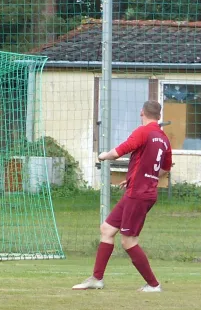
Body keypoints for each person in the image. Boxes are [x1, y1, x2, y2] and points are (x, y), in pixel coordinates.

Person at [72, 100, 172, 292]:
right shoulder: (164, 138)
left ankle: (153, 284)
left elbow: (120, 151)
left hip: (139, 194)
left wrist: (103, 156)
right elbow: (164, 169)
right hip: (139, 191)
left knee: (128, 241)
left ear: (141, 112)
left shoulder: (142, 132)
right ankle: (96, 279)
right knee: (107, 229)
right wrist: (139, 178)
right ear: (159, 117)